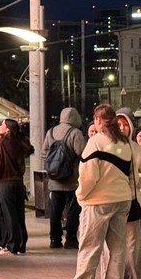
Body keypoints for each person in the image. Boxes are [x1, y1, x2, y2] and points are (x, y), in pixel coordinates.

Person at [60, 104, 141, 279]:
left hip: (98, 202)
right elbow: (133, 175)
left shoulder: (95, 142)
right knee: (118, 250)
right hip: (122, 201)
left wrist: (81, 196)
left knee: (90, 248)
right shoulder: (126, 144)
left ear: (99, 121)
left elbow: (89, 176)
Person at [0, 118, 34, 256]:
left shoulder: (0, 144)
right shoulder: (20, 143)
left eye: (2, 125)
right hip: (18, 182)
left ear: (7, 129)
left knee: (9, 214)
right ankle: (22, 243)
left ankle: (12, 245)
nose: (0, 126)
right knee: (19, 214)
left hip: (5, 182)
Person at [42, 107, 87, 250]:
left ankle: (54, 239)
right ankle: (71, 239)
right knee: (73, 210)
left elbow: (44, 153)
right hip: (72, 179)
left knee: (55, 211)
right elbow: (83, 153)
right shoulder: (75, 133)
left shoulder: (50, 132)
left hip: (54, 180)